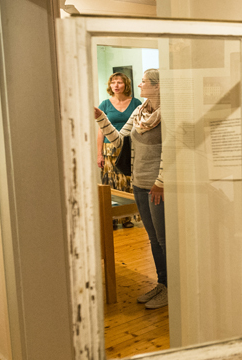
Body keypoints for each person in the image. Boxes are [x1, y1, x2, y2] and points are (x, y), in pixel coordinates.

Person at [93, 69, 167, 309]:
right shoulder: (140, 111)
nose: (140, 85)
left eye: (144, 81)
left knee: (164, 239)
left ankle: (173, 287)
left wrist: (161, 182)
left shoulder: (169, 113)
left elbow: (172, 148)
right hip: (139, 183)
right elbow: (119, 141)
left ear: (157, 87)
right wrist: (100, 118)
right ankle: (162, 284)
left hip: (158, 187)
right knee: (153, 239)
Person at [96, 72, 143, 229]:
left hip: (129, 147)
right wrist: (99, 154)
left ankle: (127, 217)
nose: (116, 85)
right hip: (109, 149)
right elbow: (101, 131)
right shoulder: (105, 104)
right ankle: (112, 218)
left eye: (119, 82)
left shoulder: (136, 103)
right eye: (113, 82)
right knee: (111, 184)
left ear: (126, 85)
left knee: (127, 182)